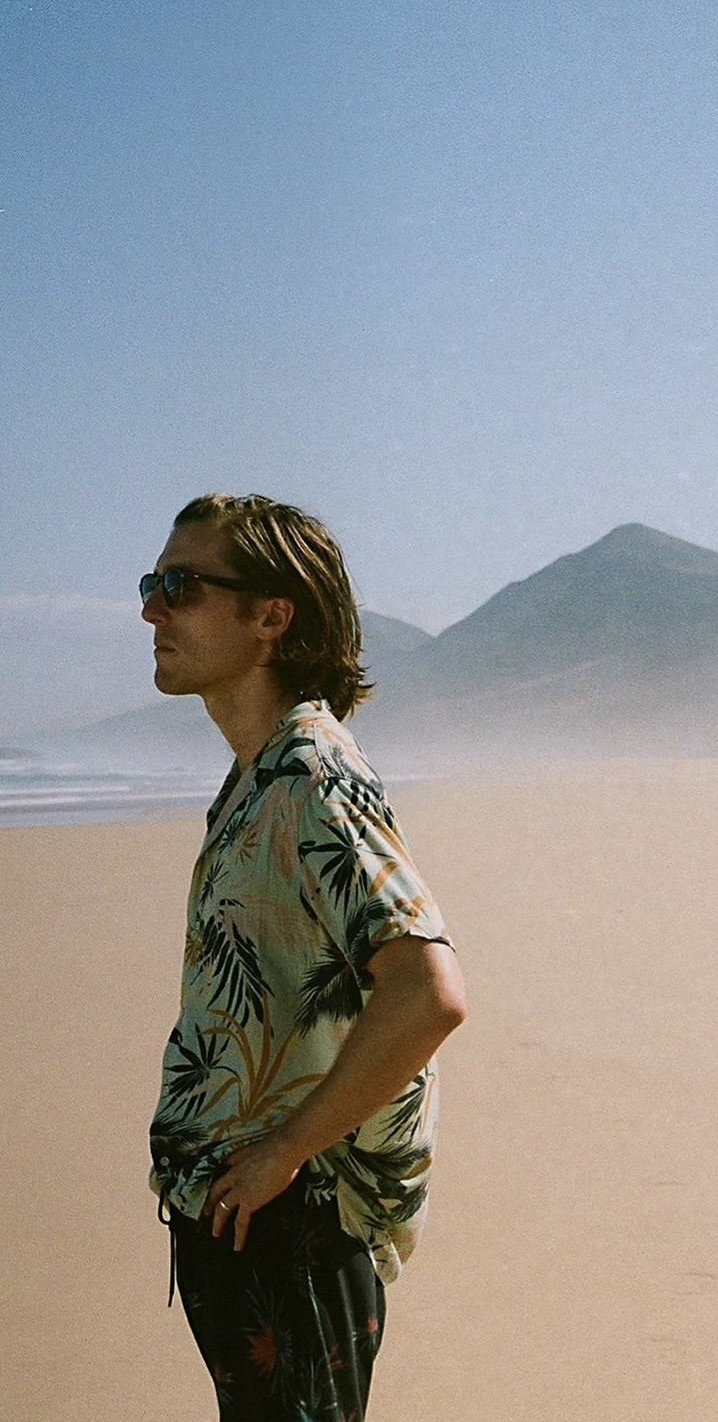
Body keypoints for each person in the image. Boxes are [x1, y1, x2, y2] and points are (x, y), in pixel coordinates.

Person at [145, 490, 467, 1422]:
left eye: (181, 587)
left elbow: (429, 991)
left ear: (271, 617)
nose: (152, 610)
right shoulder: (260, 775)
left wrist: (285, 1151)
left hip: (297, 1230)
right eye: (151, 585)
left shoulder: (309, 776)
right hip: (253, 1224)